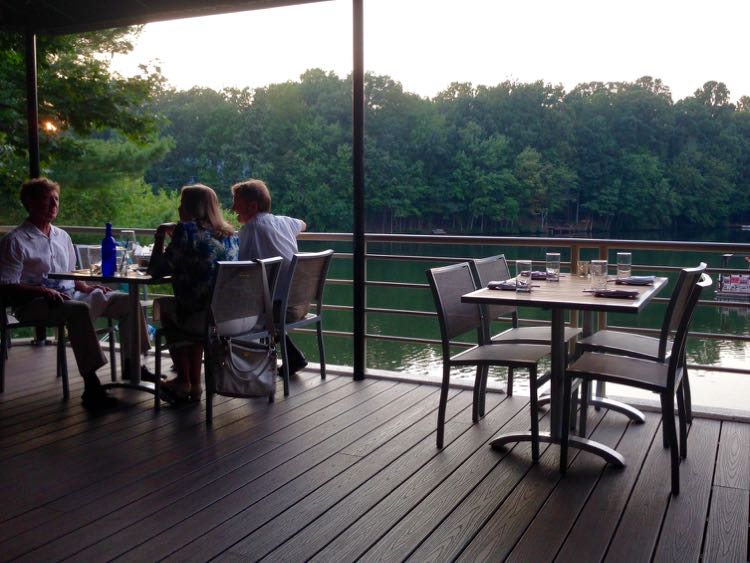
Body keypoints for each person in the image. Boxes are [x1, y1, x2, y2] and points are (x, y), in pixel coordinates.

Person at [0, 177, 152, 410]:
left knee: (126, 301)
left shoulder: (62, 236)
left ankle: (133, 365)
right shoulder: (15, 241)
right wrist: (43, 290)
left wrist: (88, 287)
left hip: (70, 296)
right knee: (79, 310)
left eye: (56, 200)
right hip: (33, 303)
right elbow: (7, 286)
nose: (53, 205)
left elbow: (71, 275)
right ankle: (92, 387)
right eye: (46, 200)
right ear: (29, 204)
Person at [148, 183, 239, 402]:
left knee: (165, 308)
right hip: (226, 318)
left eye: (181, 204)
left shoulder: (186, 231)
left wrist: (160, 235)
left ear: (187, 208)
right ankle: (194, 384)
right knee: (192, 309)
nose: (179, 209)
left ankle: (184, 380)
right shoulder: (230, 235)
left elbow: (157, 270)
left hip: (201, 318)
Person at [230, 178, 308, 375]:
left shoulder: (251, 229)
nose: (232, 209)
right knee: (266, 303)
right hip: (300, 303)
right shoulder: (284, 222)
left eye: (236, 203)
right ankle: (290, 356)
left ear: (252, 206)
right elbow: (303, 224)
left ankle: (241, 365)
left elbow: (243, 269)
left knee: (231, 309)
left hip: (278, 310)